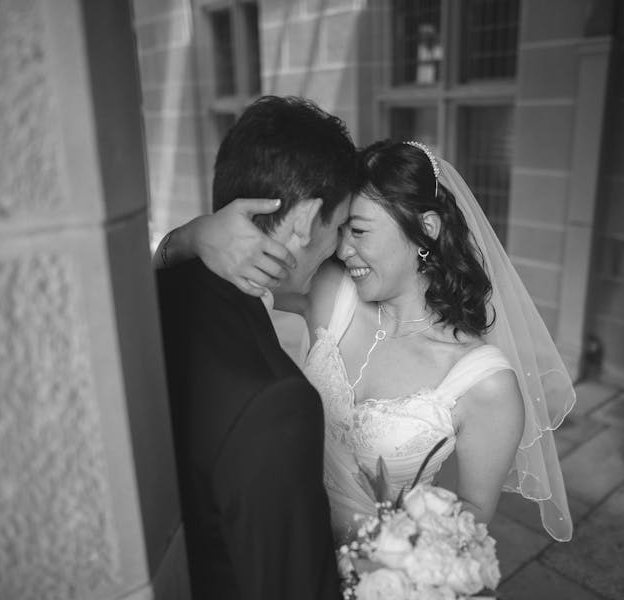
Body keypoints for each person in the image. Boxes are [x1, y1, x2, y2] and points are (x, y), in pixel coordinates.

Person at [161, 139, 575, 544]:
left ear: (425, 231)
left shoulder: (485, 383)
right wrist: (194, 235)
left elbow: (472, 517)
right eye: (342, 230)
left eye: (359, 231)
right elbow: (228, 266)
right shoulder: (329, 293)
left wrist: (383, 561)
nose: (343, 248)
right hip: (283, 548)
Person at [154, 95, 357, 599]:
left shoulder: (165, 289)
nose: (340, 252)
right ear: (308, 219)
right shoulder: (276, 402)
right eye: (339, 228)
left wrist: (186, 238)